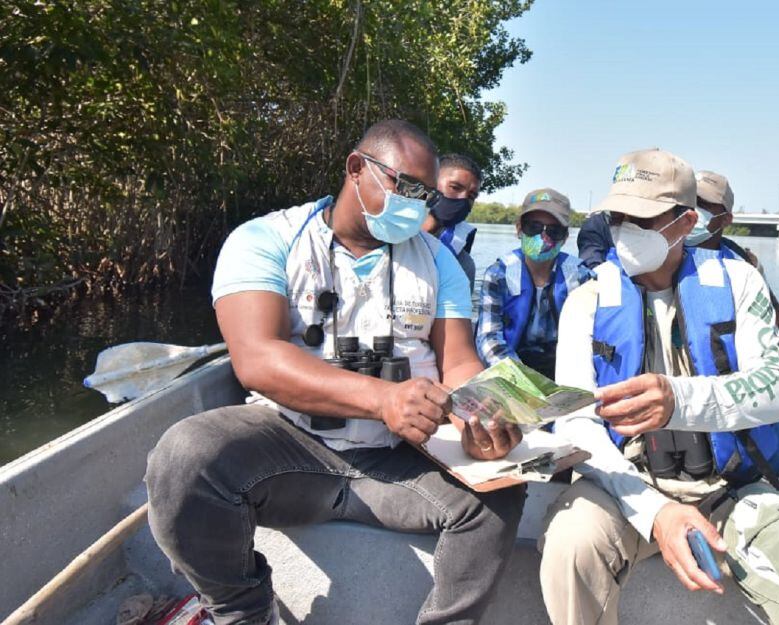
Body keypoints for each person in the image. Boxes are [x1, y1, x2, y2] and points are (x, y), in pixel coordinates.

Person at [144, 120, 525, 625]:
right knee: (184, 456)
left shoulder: (441, 262)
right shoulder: (265, 239)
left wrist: (482, 417)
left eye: (427, 195)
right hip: (289, 446)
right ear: (356, 169)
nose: (418, 205)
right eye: (405, 187)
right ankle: (243, 612)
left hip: (401, 458)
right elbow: (256, 358)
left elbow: (458, 361)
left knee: (502, 489)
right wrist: (383, 400)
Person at [539, 148, 779, 625]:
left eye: (642, 217)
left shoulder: (739, 282)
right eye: (617, 216)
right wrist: (657, 512)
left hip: (729, 488)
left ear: (686, 221)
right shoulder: (586, 301)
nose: (624, 229)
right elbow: (577, 424)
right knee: (570, 543)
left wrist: (679, 400)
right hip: (626, 486)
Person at [475, 188, 588, 379]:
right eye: (534, 227)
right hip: (510, 369)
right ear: (519, 229)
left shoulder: (582, 277)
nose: (543, 237)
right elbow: (489, 337)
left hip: (563, 369)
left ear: (565, 237)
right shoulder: (498, 275)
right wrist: (522, 380)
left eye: (554, 231)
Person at [687, 169, 779, 329]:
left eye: (703, 204)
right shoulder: (664, 251)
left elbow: (773, 314)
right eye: (690, 202)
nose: (693, 210)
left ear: (726, 219)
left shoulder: (743, 263)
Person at [423, 153, 482, 290]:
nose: (463, 198)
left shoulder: (463, 264)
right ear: (431, 182)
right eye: (455, 187)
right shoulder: (392, 237)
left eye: (471, 196)